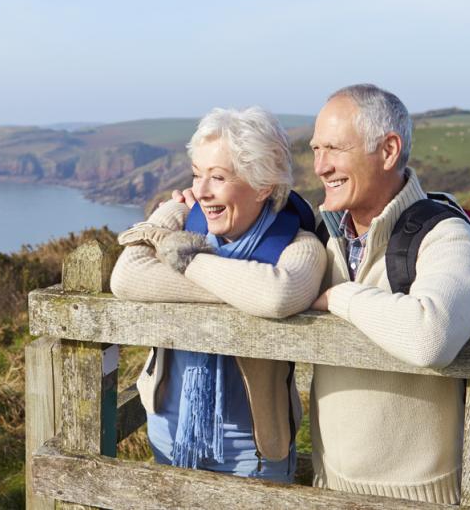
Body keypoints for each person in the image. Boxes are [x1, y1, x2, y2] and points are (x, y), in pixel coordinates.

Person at [111, 107, 326, 482]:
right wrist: (171, 209)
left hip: (253, 452)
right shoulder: (187, 220)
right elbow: (127, 277)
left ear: (263, 185)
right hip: (168, 433)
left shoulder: (299, 245)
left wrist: (182, 259)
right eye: (197, 175)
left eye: (218, 177)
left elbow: (276, 295)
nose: (202, 191)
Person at [308, 84, 470, 504]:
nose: (320, 166)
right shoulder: (323, 234)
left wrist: (340, 297)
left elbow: (433, 336)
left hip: (418, 495)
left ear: (389, 151)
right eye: (315, 149)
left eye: (333, 149)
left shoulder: (445, 234)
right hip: (326, 485)